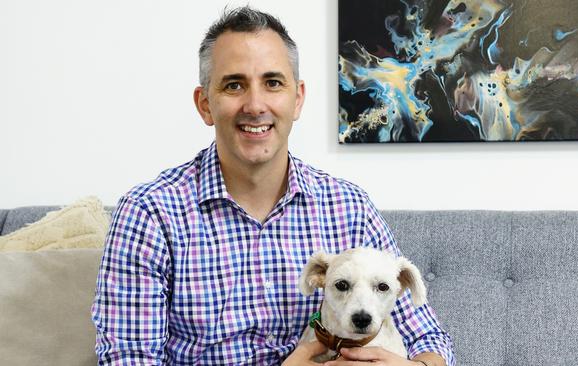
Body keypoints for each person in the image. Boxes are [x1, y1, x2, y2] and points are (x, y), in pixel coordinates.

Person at [91, 6, 455, 366]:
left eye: (273, 83)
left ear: (297, 99)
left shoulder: (350, 207)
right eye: (234, 85)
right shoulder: (148, 214)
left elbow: (428, 337)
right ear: (205, 104)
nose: (255, 105)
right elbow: (129, 361)